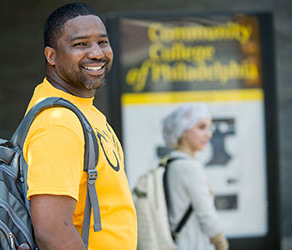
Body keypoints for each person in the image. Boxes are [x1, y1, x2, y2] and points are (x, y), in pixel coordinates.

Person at [22, 3, 137, 249]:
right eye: (80, 44)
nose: (97, 53)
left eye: (102, 42)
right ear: (51, 56)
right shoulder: (59, 124)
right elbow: (52, 230)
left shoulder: (82, 110)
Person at [162, 103, 229, 250]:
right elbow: (206, 214)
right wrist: (220, 241)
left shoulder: (172, 161)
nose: (209, 134)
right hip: (193, 243)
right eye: (201, 127)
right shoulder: (189, 167)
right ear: (183, 131)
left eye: (209, 128)